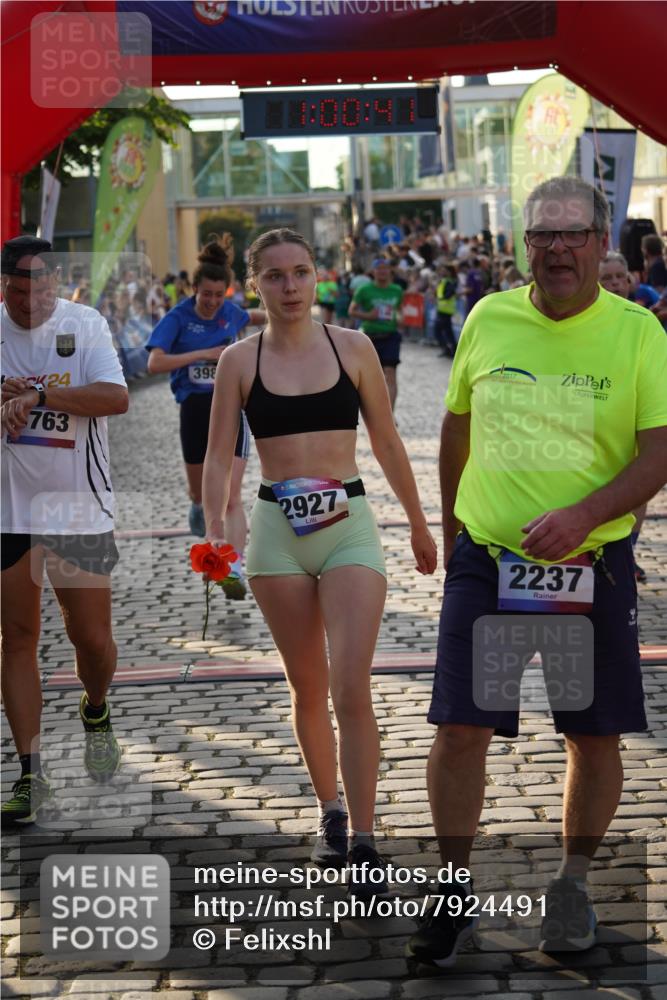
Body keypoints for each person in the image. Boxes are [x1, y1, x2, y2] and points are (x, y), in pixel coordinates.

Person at [407, 177, 667, 971]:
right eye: (541, 235)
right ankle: (451, 893)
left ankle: (573, 884)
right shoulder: (487, 317)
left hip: (591, 571)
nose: (556, 248)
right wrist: (454, 531)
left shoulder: (637, 333)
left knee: (590, 737)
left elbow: (657, 453)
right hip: (489, 568)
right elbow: (455, 426)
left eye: (572, 234)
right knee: (461, 729)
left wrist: (584, 517)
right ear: (523, 245)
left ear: (598, 242)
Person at [202, 228, 436, 893]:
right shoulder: (237, 363)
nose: (290, 287)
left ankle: (364, 837)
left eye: (301, 272)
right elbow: (220, 456)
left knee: (349, 682)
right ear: (256, 284)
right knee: (305, 686)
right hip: (277, 533)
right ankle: (330, 810)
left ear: (319, 277)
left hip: (348, 528)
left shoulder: (353, 348)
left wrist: (419, 522)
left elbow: (387, 441)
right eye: (274, 276)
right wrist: (216, 532)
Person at [1, 236, 129, 826]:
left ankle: (96, 707)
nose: (33, 301)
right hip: (8, 509)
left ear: (57, 281)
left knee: (92, 641)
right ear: (5, 286)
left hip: (76, 506)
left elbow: (115, 398)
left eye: (43, 288)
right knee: (18, 637)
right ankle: (31, 773)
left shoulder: (86, 323)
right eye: (20, 291)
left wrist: (40, 393)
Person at [146, 236, 265, 600]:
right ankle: (198, 506)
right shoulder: (177, 318)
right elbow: (154, 363)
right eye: (206, 295)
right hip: (195, 411)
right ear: (194, 288)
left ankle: (233, 568)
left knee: (231, 496)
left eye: (219, 294)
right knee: (202, 495)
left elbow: (257, 316)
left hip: (231, 409)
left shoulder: (231, 312)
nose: (213, 302)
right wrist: (203, 355)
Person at [599, 251, 655, 583]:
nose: (616, 283)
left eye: (620, 277)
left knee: (639, 487)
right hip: (600, 419)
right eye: (607, 278)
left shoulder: (642, 317)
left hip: (637, 415)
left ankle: (627, 553)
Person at [348, 257, 404, 411]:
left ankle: (390, 413)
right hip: (369, 336)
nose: (382, 272)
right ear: (373, 272)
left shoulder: (397, 290)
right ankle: (373, 411)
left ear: (390, 271)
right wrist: (369, 316)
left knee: (390, 373)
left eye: (385, 268)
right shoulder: (364, 290)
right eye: (379, 269)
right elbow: (351, 310)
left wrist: (401, 320)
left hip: (391, 335)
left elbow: (399, 310)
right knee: (370, 377)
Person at [435, 265, 458, 357]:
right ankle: (452, 351)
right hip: (442, 309)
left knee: (438, 331)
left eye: (444, 270)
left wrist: (441, 299)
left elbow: (449, 293)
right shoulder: (444, 281)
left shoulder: (449, 282)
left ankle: (448, 350)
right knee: (448, 332)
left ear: (449, 272)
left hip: (445, 310)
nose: (442, 272)